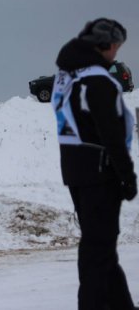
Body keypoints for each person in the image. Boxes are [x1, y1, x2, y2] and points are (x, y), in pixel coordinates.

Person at [53, 18, 137, 310]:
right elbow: (110, 132)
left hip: (76, 170)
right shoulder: (97, 80)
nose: (116, 52)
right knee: (97, 251)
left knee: (99, 247)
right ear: (104, 44)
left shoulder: (68, 75)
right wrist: (126, 175)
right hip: (101, 172)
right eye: (115, 46)